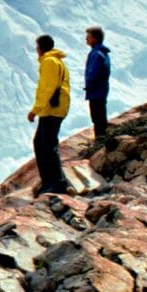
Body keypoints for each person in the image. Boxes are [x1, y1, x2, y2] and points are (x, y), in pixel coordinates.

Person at [27, 33, 73, 195]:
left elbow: (47, 88)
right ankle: (50, 181)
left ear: (40, 48)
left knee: (46, 145)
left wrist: (35, 110)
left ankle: (56, 183)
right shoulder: (57, 61)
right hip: (56, 108)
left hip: (51, 109)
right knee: (42, 143)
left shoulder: (49, 62)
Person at [84, 26, 112, 140]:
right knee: (100, 117)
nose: (86, 39)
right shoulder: (103, 52)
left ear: (94, 39)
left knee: (97, 118)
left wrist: (89, 85)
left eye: (88, 36)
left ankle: (101, 143)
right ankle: (102, 141)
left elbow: (94, 72)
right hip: (101, 90)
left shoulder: (96, 54)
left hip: (96, 91)